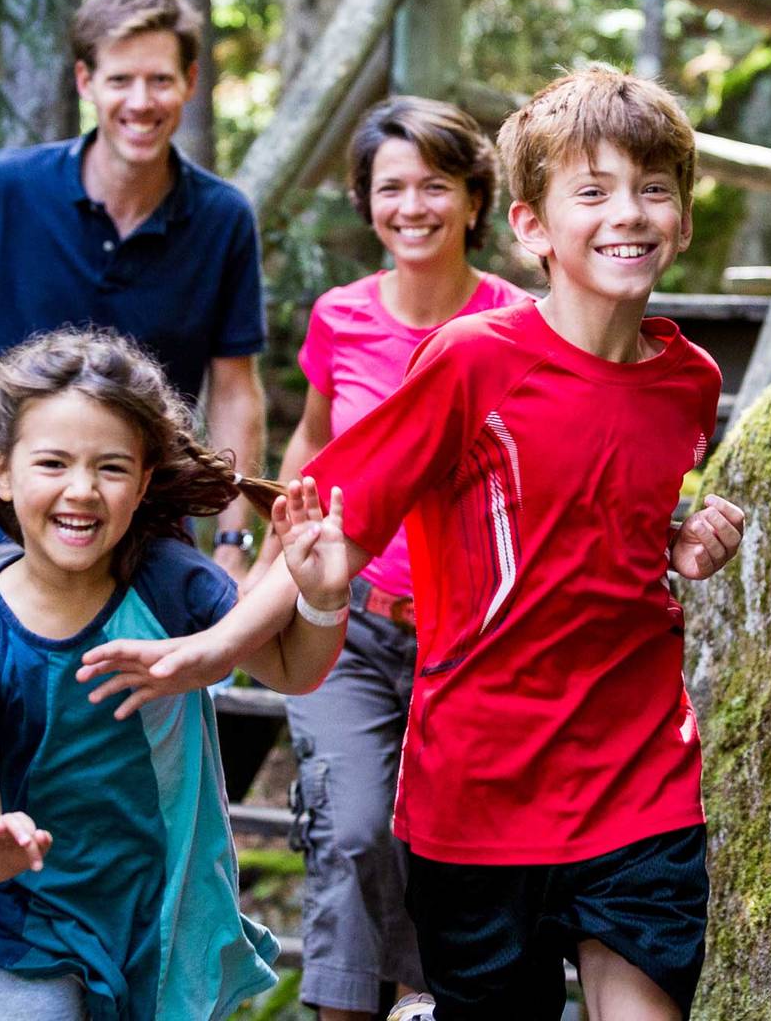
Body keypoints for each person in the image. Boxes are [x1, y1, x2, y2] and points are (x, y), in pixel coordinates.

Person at [81, 66, 748, 1020]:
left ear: (683, 216)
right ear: (530, 227)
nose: (629, 215)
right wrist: (210, 651)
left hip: (638, 777)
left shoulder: (689, 379)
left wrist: (676, 540)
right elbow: (337, 530)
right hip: (479, 792)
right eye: (592, 192)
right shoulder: (475, 360)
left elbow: (608, 510)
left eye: (653, 190)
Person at [0, 328, 353, 1020]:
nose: (81, 491)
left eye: (111, 468)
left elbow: (292, 670)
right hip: (27, 919)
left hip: (165, 916)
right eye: (52, 463)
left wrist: (322, 599)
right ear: (1, 469)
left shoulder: (173, 588)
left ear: (144, 480)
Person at [243, 97, 534, 1021]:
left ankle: (425, 999)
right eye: (390, 187)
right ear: (367, 202)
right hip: (352, 624)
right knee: (354, 828)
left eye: (435, 186)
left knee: (450, 838)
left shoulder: (520, 323)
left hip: (472, 635)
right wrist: (270, 563)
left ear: (476, 200)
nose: (412, 206)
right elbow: (314, 443)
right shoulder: (341, 317)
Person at [0, 0, 266, 580]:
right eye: (120, 80)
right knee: (3, 665)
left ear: (191, 83)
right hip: (10, 531)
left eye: (160, 80)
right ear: (85, 82)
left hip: (153, 540)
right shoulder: (7, 188)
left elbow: (235, 389)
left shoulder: (223, 218)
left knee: (172, 670)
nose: (141, 101)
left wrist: (231, 540)